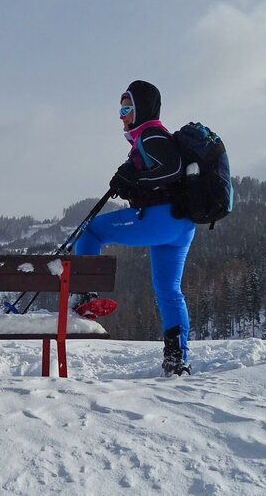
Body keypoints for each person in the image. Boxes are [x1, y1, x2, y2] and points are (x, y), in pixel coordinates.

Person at [72, 80, 195, 376]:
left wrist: (135, 181)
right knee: (168, 289)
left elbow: (171, 170)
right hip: (182, 225)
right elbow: (166, 175)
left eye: (127, 107)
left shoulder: (151, 134)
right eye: (120, 107)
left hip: (161, 219)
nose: (121, 114)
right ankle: (176, 359)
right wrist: (131, 178)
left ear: (141, 108)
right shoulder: (150, 138)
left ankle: (84, 297)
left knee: (91, 231)